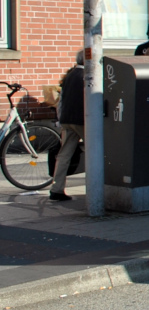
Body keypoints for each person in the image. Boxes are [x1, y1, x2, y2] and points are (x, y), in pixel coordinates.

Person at [49, 51, 85, 202]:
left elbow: (61, 99)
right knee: (96, 153)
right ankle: (99, 186)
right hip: (82, 120)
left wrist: (60, 119)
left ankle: (56, 189)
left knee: (64, 154)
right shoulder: (89, 76)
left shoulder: (69, 75)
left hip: (66, 119)